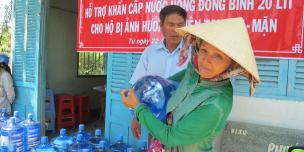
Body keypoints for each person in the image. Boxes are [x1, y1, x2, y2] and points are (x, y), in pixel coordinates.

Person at [120, 17, 261, 151]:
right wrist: (138, 115)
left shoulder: (215, 104)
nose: (206, 60)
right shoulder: (194, 72)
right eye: (204, 50)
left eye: (218, 56)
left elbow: (170, 137)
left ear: (232, 65)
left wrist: (138, 108)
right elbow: (163, 87)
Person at [129, 5, 191, 139]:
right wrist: (136, 117)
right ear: (161, 26)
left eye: (180, 25)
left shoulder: (194, 55)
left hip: (184, 120)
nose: (175, 30)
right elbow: (137, 88)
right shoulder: (150, 52)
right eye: (170, 24)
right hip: (154, 119)